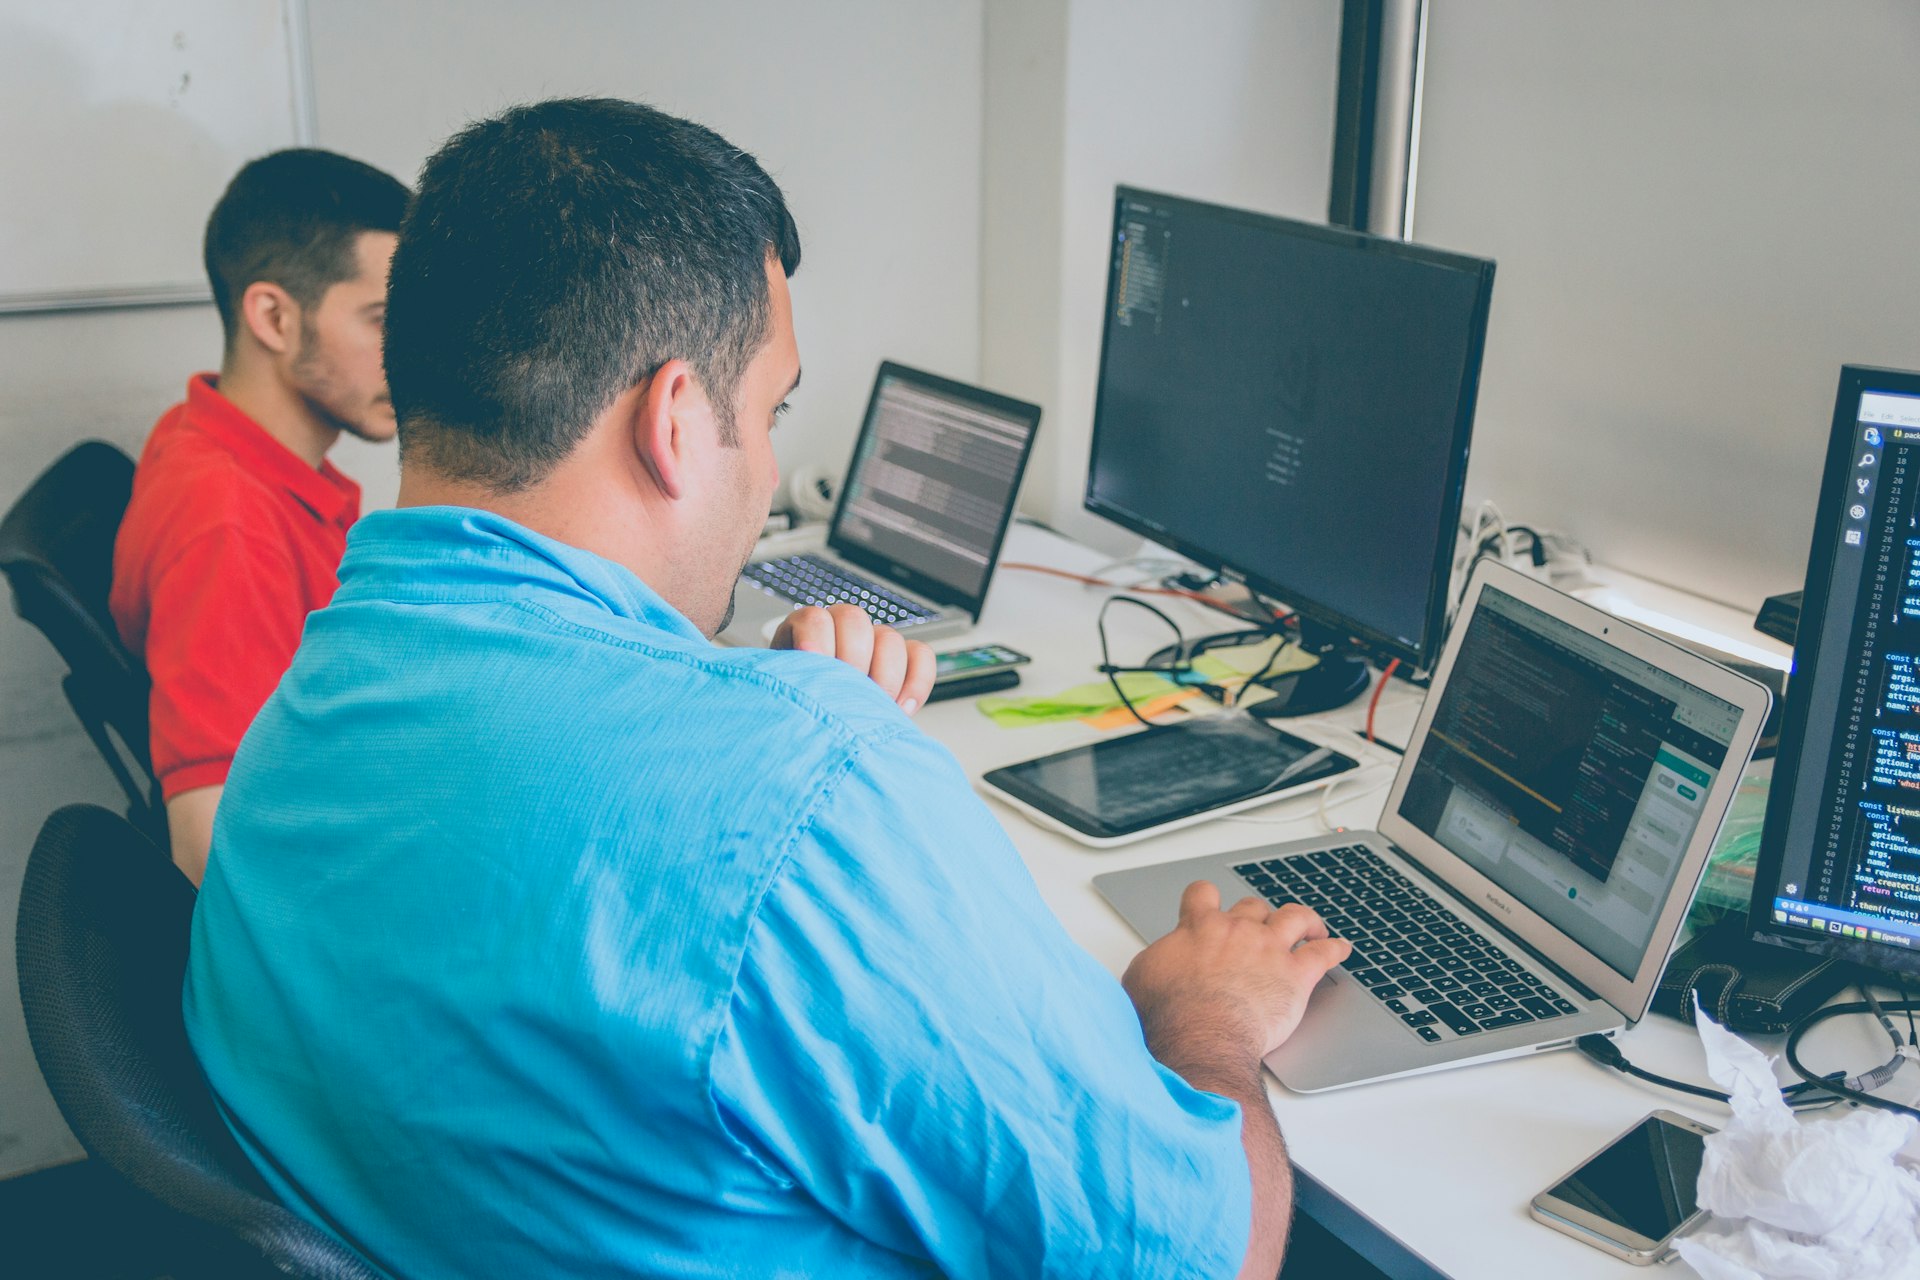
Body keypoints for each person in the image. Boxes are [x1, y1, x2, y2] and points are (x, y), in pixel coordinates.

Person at [183, 99, 1349, 1279]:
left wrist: (755, 736)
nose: (776, 465)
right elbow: (1206, 1258)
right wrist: (1208, 1020)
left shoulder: (309, 693)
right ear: (676, 421)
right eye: (771, 410)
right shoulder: (804, 795)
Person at [109, 149, 409, 884]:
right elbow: (207, 847)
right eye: (381, 320)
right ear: (273, 316)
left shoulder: (204, 432)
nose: (411, 354)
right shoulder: (228, 527)